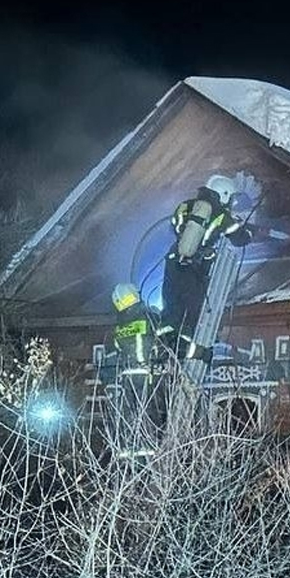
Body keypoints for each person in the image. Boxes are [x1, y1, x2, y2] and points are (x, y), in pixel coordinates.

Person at [160, 172, 252, 359]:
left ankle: (167, 346)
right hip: (194, 270)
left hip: (173, 262)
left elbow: (175, 225)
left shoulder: (185, 206)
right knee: (192, 316)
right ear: (224, 194)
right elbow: (240, 238)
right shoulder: (221, 216)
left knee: (171, 308)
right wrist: (246, 230)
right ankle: (191, 352)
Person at [108, 281, 171, 439]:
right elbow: (171, 342)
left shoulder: (119, 328)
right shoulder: (151, 319)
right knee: (154, 419)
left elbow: (114, 354)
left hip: (128, 380)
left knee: (133, 421)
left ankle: (134, 446)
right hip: (151, 378)